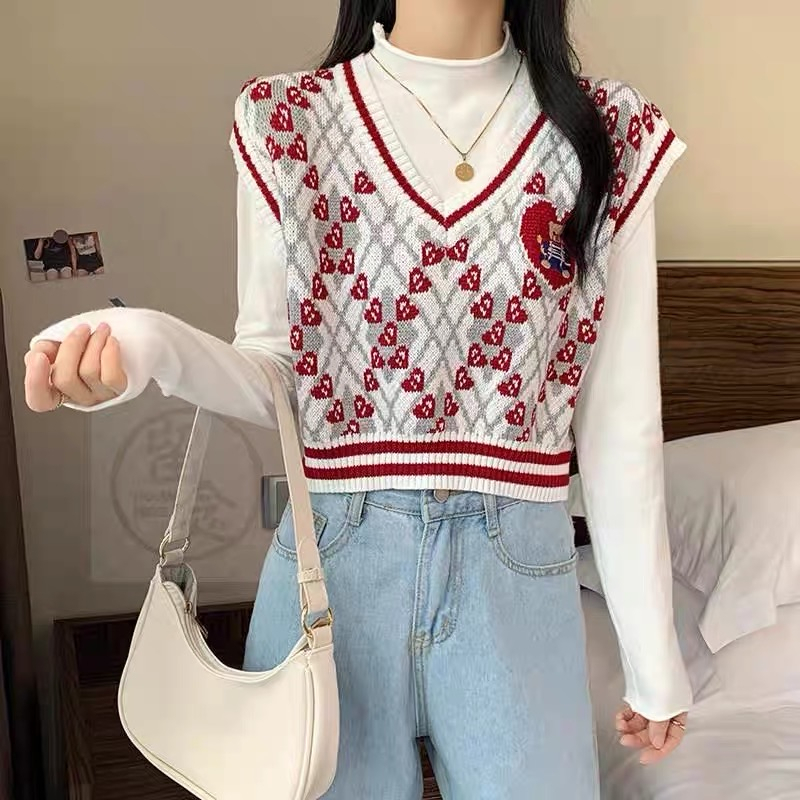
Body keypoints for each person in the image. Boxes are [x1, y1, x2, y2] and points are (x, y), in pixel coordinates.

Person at [24, 1, 692, 796]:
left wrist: (654, 660)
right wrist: (147, 347)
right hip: (333, 572)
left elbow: (618, 421)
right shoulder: (289, 120)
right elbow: (276, 369)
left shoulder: (608, 132)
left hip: (518, 576)